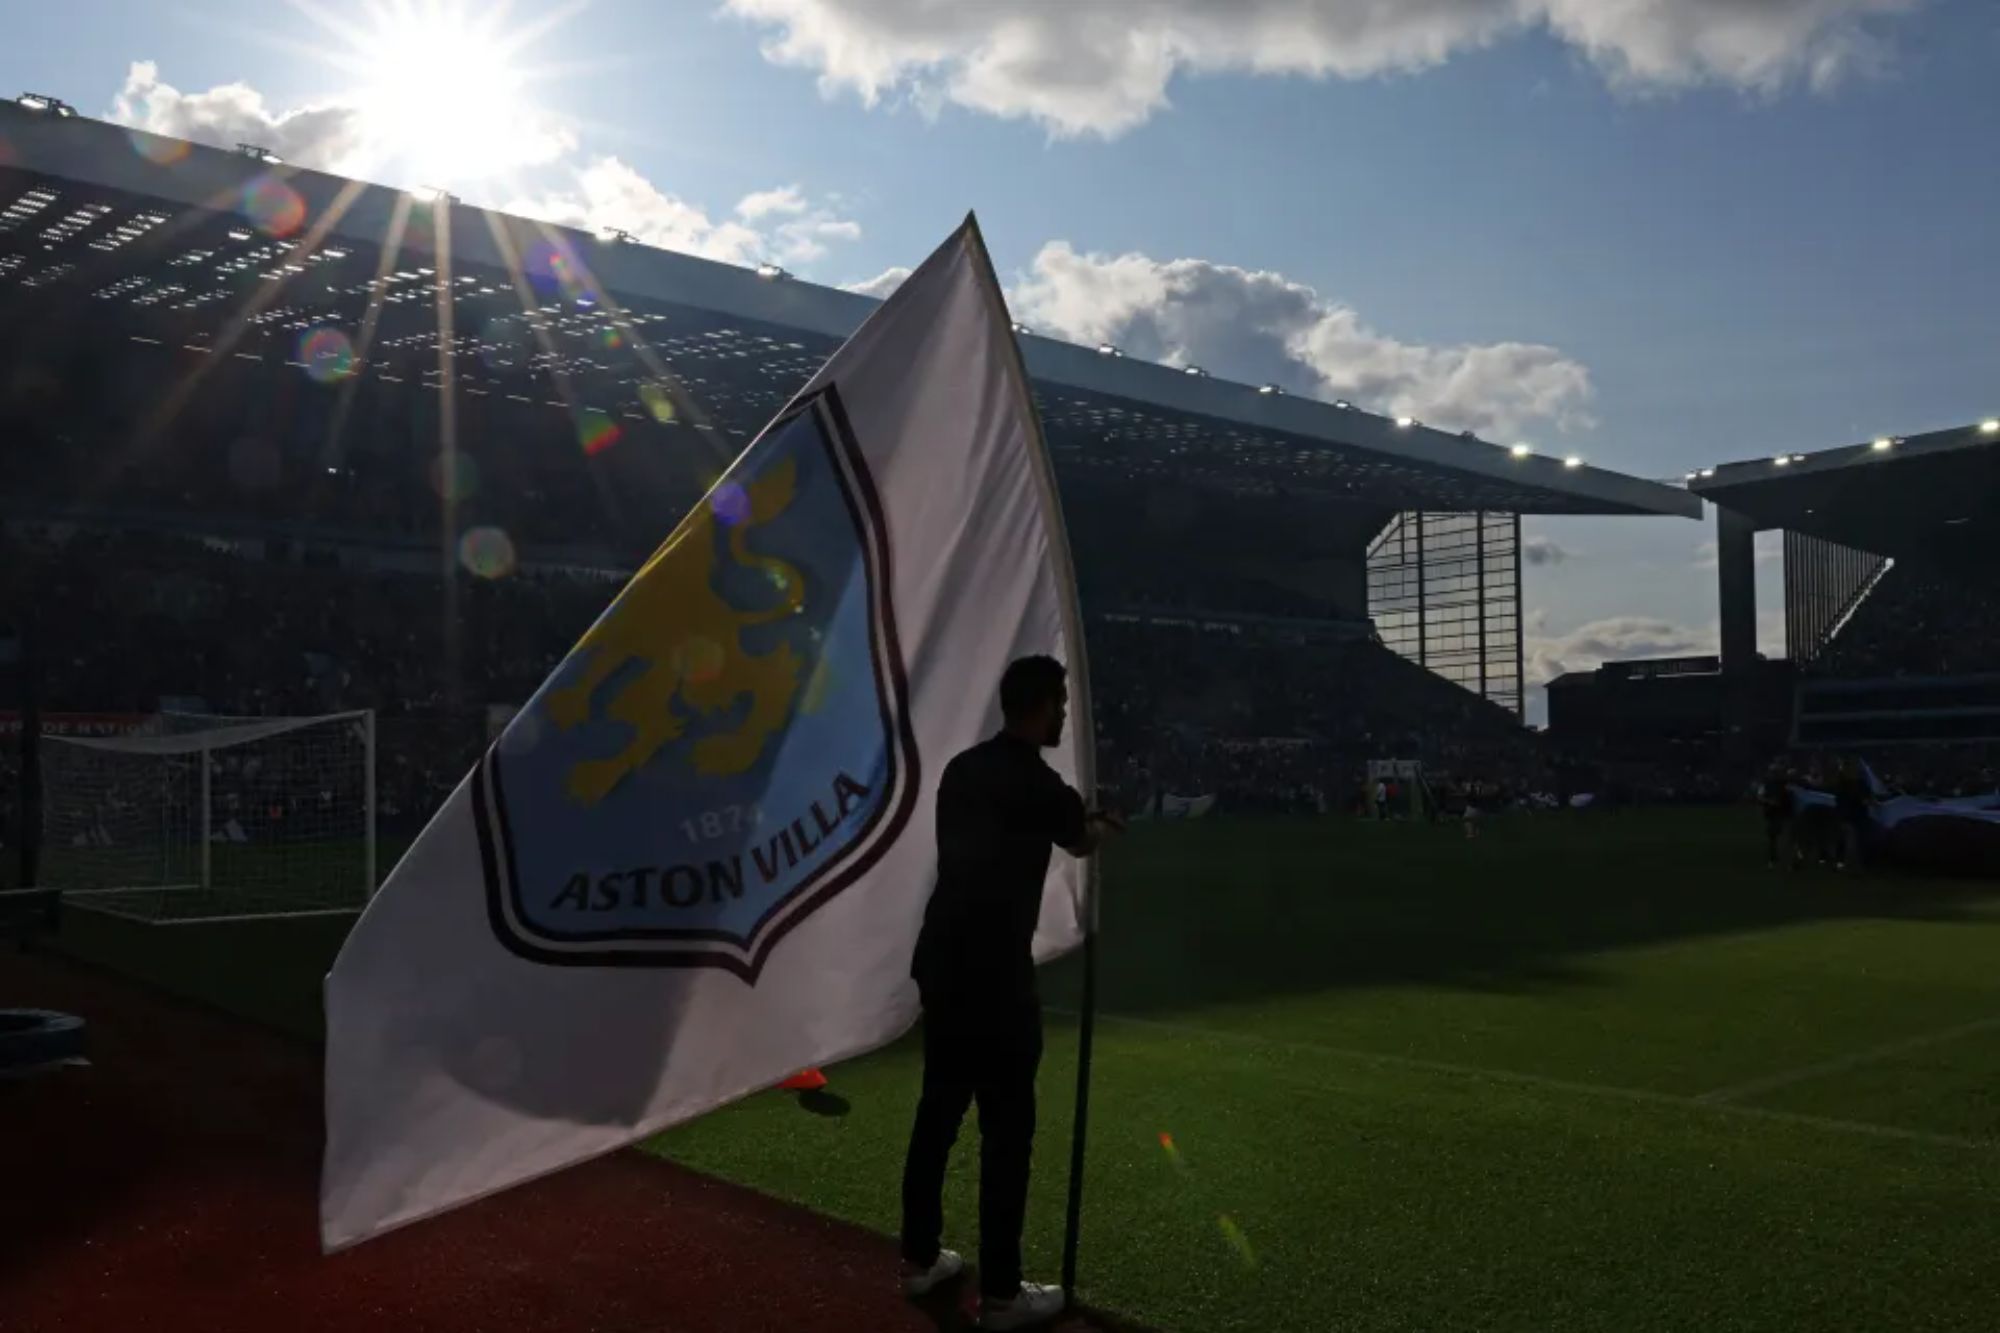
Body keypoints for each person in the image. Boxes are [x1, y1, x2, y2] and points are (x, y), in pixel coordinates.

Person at [899, 655, 1122, 1330]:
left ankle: (919, 1259)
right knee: (1006, 1135)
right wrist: (1105, 826)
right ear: (1038, 704)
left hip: (944, 962)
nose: (1061, 715)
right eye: (1057, 703)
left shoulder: (964, 770)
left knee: (938, 1114)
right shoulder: (1040, 784)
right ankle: (1000, 1294)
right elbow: (1079, 839)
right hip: (996, 978)